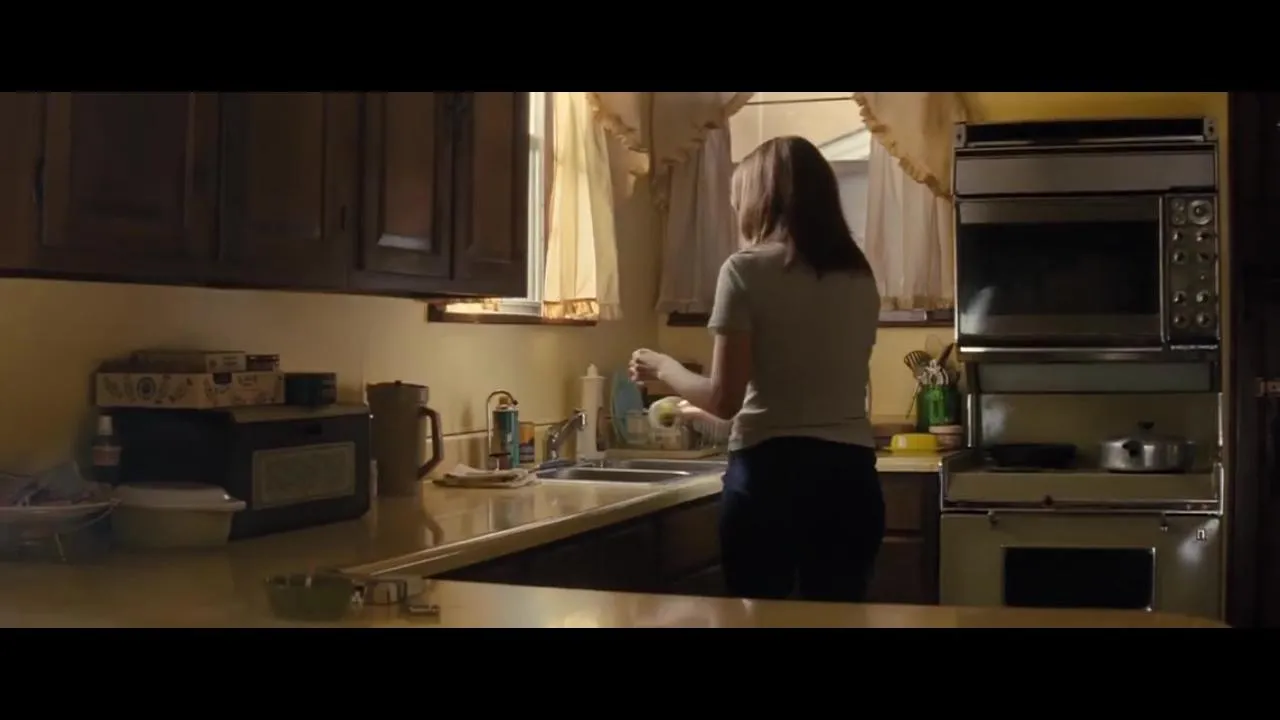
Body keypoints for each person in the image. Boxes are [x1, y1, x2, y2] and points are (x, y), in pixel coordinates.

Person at [630, 135, 884, 603]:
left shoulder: (744, 270)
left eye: (738, 200)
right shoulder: (859, 274)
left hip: (771, 478)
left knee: (758, 617)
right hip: (850, 477)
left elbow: (724, 399)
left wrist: (664, 367)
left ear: (760, 201)